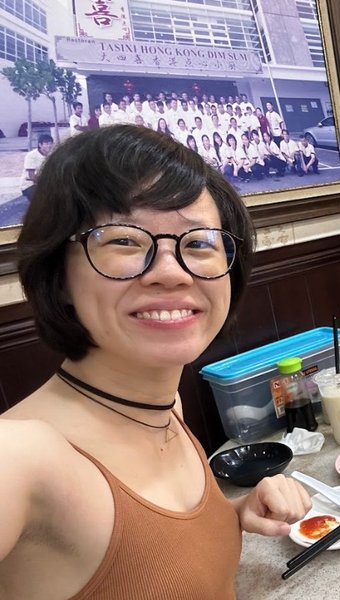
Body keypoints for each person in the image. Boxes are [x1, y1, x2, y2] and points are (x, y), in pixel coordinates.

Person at [0, 125, 311, 598]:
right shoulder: (20, 456)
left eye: (199, 242)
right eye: (124, 240)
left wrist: (232, 516)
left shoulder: (165, 408)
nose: (171, 272)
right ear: (58, 276)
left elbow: (143, 561)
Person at [19, 133, 53, 199]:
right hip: (30, 185)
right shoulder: (31, 155)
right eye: (46, 144)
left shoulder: (50, 155)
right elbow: (31, 175)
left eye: (50, 143)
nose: (49, 146)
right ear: (40, 145)